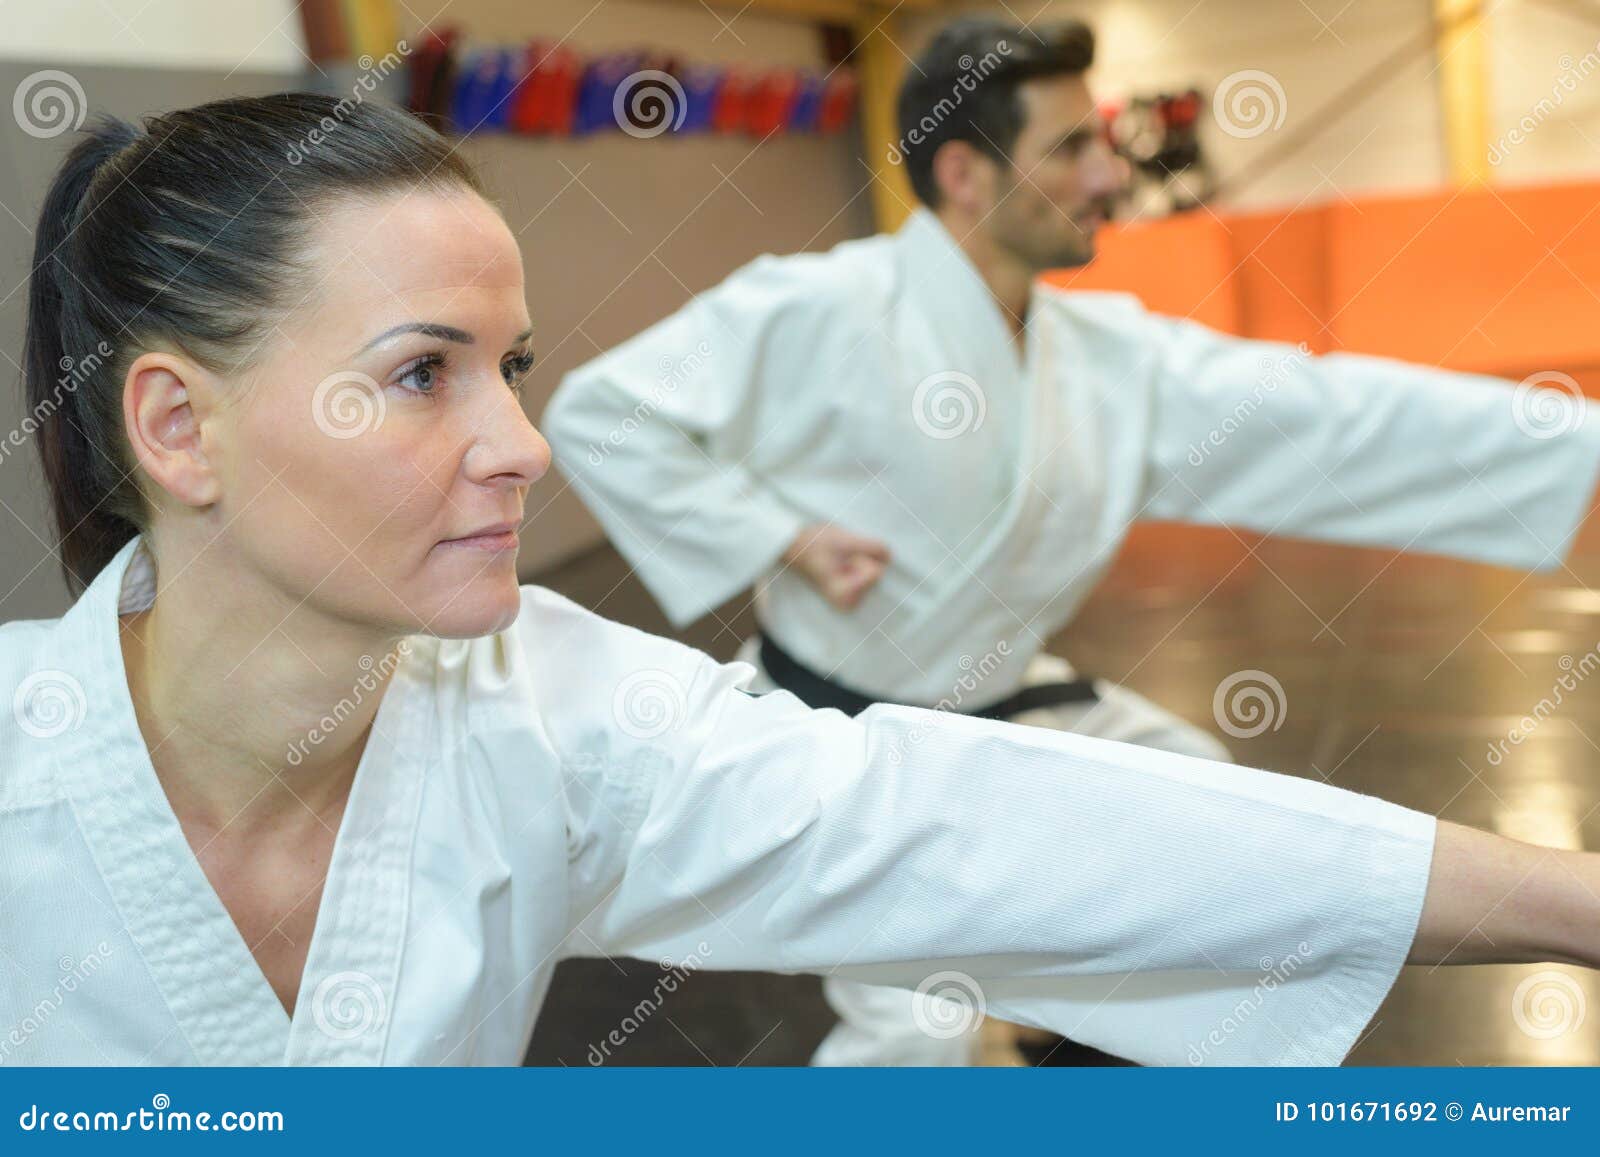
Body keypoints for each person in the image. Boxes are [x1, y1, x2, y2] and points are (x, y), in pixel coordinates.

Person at [3, 94, 1598, 1070]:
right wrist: (777, 535)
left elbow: (975, 822)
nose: (523, 446)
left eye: (514, 367)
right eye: (423, 374)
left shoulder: (553, 721)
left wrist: (1563, 901)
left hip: (959, 714)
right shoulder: (811, 309)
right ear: (173, 424)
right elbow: (638, 426)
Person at [540, 18, 1600, 1064]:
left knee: (1212, 822)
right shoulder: (817, 306)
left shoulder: (1101, 357)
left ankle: (1071, 1032)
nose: (1108, 173)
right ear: (964, 172)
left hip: (1005, 703)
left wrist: (1574, 440)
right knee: (917, 1029)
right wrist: (782, 534)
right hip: (844, 743)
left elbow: (1322, 414)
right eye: (1069, 148)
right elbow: (601, 413)